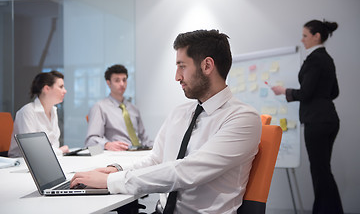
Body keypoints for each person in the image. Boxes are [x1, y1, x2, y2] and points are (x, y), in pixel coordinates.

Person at [71, 30, 261, 213]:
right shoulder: (180, 112)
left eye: (182, 66)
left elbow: (187, 171)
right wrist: (115, 171)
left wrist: (111, 181)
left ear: (207, 66)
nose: (177, 76)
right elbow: (156, 159)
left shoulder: (242, 118)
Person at [271, 20, 343, 214]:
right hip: (330, 120)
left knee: (320, 172)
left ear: (316, 36)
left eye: (305, 35)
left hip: (317, 122)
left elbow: (306, 93)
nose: (301, 40)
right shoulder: (327, 59)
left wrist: (284, 91)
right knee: (323, 170)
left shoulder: (314, 60)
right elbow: (334, 92)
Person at [85, 64, 151, 151]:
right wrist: (107, 145)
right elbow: (90, 141)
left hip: (139, 153)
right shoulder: (100, 107)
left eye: (124, 80)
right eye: (117, 80)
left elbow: (144, 139)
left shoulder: (134, 109)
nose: (122, 84)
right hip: (117, 155)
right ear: (108, 83)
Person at [8, 70, 69, 157]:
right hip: (22, 164)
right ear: (47, 89)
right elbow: (32, 151)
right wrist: (60, 151)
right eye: (61, 87)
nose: (65, 91)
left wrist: (58, 152)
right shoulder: (27, 112)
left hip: (47, 161)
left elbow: (54, 144)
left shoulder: (53, 111)